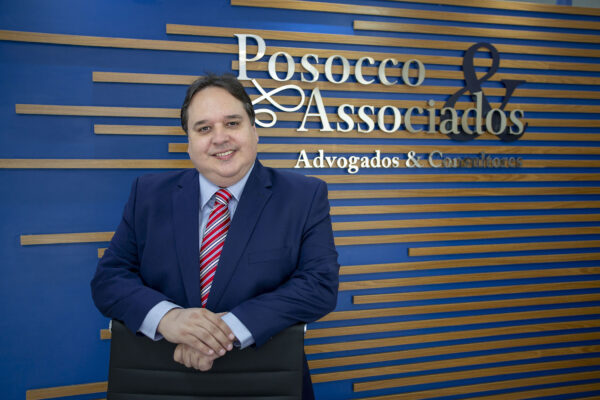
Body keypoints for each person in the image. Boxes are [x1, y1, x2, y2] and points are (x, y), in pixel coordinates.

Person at [90, 73, 340, 399]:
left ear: (254, 130)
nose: (220, 138)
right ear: (189, 143)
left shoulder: (304, 197)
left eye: (232, 123)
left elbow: (319, 285)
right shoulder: (147, 195)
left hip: (266, 382)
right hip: (162, 381)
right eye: (204, 128)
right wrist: (169, 318)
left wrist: (222, 332)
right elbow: (109, 280)